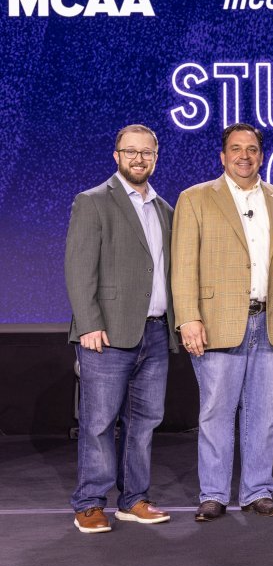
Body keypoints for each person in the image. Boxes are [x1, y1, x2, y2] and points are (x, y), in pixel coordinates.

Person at [172, 123, 273, 522]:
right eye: (236, 149)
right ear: (222, 156)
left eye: (252, 149)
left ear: (262, 155)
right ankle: (213, 493)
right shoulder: (195, 198)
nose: (245, 156)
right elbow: (183, 265)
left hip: (270, 320)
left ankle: (257, 491)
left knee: (265, 413)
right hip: (216, 322)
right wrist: (188, 318)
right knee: (216, 413)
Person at [65, 124, 176, 533]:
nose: (138, 159)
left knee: (144, 421)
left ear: (155, 158)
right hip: (107, 333)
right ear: (117, 156)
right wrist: (89, 323)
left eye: (146, 152)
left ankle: (133, 499)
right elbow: (78, 268)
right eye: (130, 151)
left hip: (155, 332)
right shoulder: (93, 201)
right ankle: (90, 502)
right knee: (98, 422)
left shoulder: (165, 209)